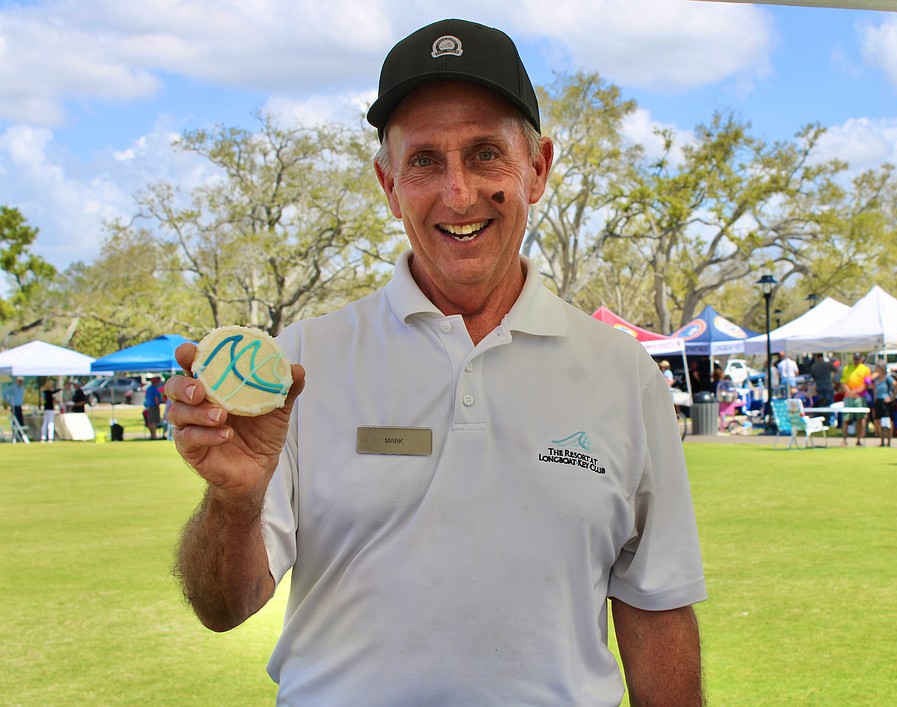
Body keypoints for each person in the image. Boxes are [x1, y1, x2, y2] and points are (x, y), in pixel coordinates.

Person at [167, 19, 705, 706]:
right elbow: (224, 604)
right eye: (424, 160)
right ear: (389, 183)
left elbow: (655, 606)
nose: (457, 192)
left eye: (485, 154)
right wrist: (234, 499)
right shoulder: (304, 360)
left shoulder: (621, 372)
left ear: (536, 168)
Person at [840, 353, 871, 447]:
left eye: (858, 359)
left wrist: (857, 391)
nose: (856, 361)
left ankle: (859, 439)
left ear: (861, 359)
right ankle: (844, 439)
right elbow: (843, 382)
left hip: (859, 397)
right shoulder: (847, 368)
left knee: (860, 419)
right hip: (848, 396)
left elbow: (867, 383)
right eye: (854, 359)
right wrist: (849, 392)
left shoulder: (865, 369)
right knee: (846, 418)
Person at [871, 363, 897, 447]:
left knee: (887, 421)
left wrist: (892, 397)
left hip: (885, 401)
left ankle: (888, 441)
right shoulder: (877, 378)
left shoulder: (887, 378)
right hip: (878, 401)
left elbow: (896, 385)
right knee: (878, 421)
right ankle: (881, 440)